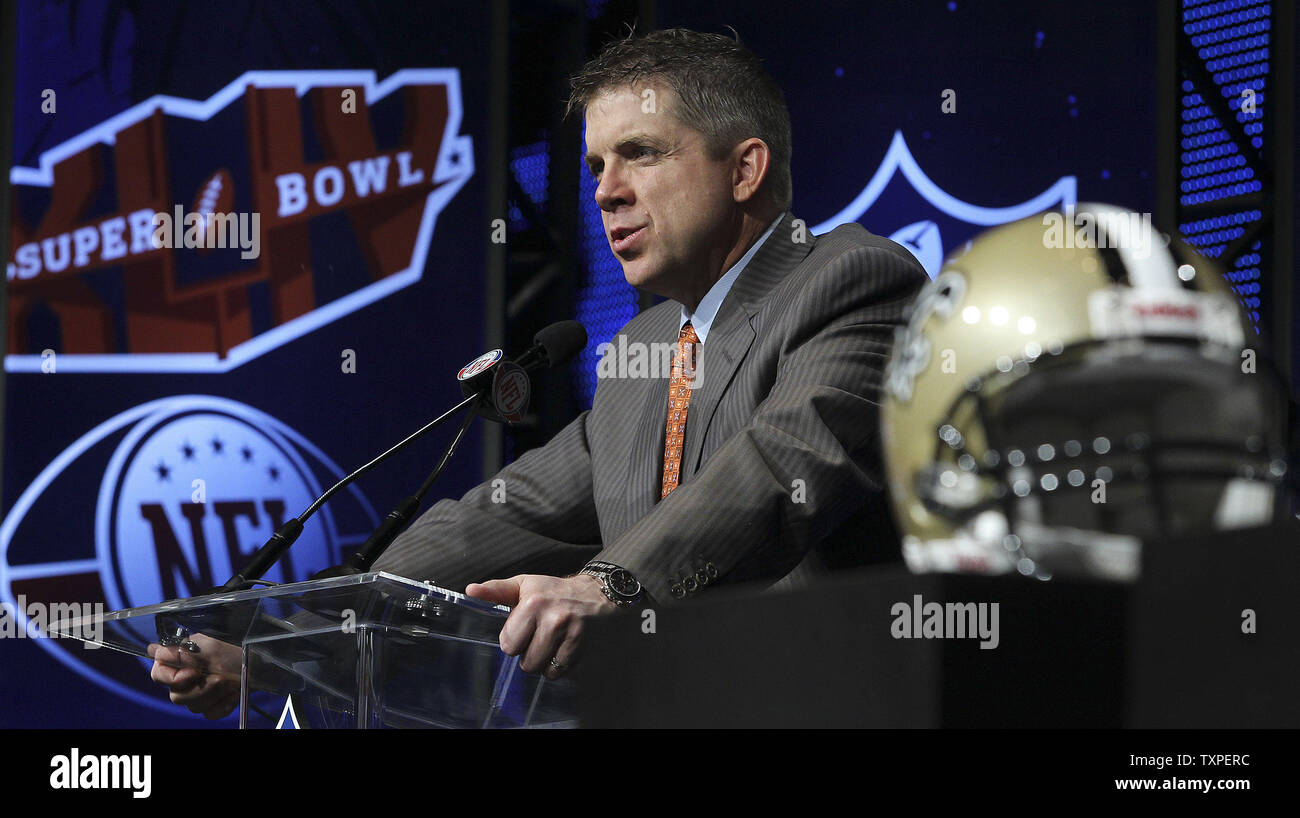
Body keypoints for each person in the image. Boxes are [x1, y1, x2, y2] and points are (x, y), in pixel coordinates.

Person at [150, 27, 927, 718]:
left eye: (642, 153)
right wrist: (286, 647)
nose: (605, 190)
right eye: (595, 164)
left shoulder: (853, 280)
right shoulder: (646, 348)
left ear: (745, 169)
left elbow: (779, 468)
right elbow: (504, 516)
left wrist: (612, 586)